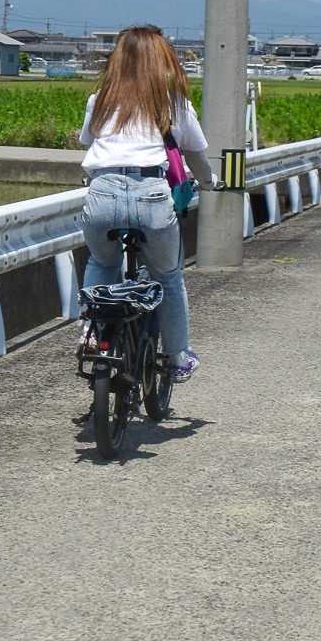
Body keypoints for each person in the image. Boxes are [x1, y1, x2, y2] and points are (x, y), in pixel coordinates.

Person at [76, 25, 216, 381]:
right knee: (168, 277)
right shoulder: (173, 103)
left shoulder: (101, 99)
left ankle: (91, 334)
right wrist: (209, 182)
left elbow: (87, 142)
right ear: (161, 60)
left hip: (102, 192)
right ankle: (177, 357)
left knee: (101, 263)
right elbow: (195, 155)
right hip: (152, 194)